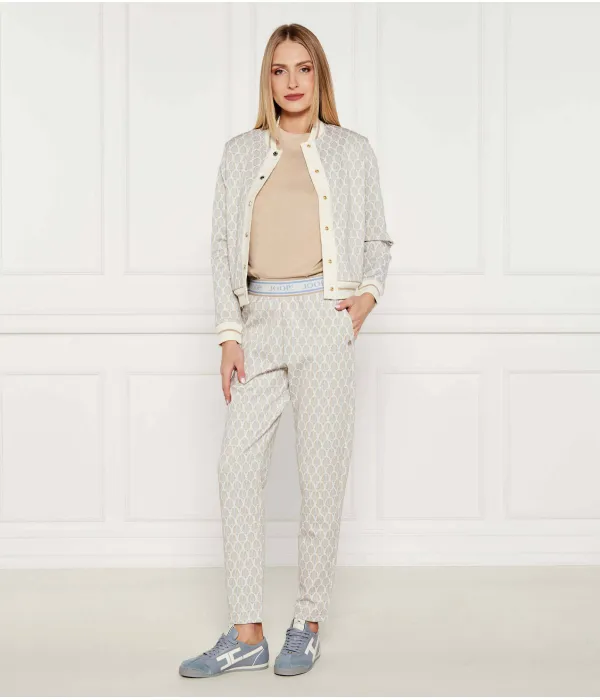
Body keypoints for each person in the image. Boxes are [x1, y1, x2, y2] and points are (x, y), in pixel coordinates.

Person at [179, 22, 393, 679]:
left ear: (320, 76)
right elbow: (222, 247)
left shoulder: (352, 151)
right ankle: (247, 633)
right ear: (267, 80)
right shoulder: (240, 152)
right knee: (236, 468)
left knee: (320, 477)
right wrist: (229, 334)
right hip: (259, 322)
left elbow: (377, 242)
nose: (292, 82)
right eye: (280, 70)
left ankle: (308, 621)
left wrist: (363, 301)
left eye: (304, 68)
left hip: (324, 322)